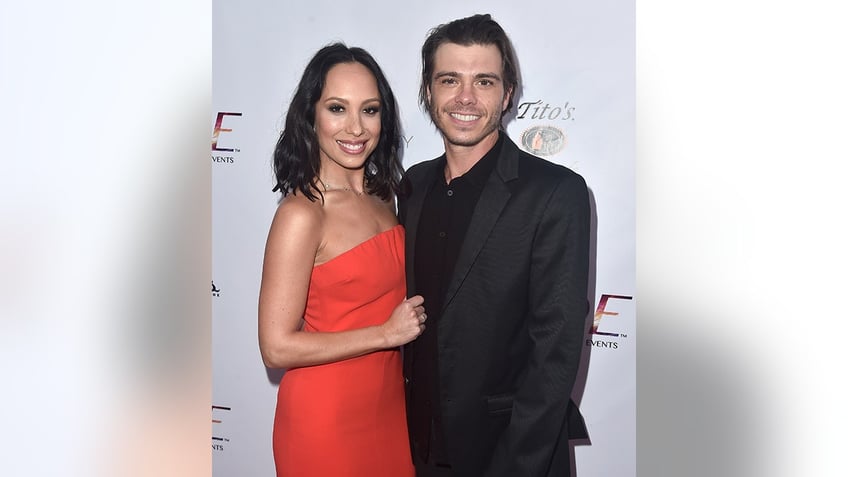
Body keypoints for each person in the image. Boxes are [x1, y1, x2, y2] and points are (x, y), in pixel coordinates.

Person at [398, 14, 591, 477]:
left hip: (507, 455)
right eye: (450, 80)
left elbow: (555, 350)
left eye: (483, 81)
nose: (465, 98)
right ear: (429, 91)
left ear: (507, 95)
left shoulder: (555, 193)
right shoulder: (413, 184)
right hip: (415, 449)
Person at [258, 43, 427, 477]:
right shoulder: (301, 214)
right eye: (337, 108)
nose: (355, 128)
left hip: (387, 411)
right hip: (325, 421)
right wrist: (384, 333)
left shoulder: (384, 197)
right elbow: (276, 346)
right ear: (310, 115)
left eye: (369, 110)